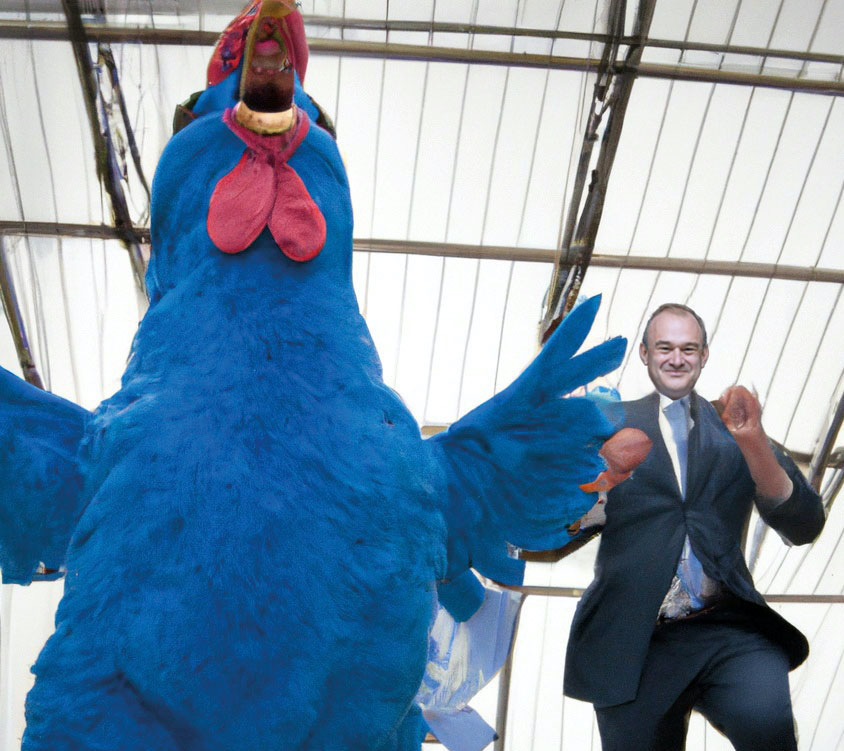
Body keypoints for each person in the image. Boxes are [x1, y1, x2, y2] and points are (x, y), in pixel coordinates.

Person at [563, 303, 825, 751]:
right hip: (632, 640)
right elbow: (551, 537)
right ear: (644, 354)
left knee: (768, 726)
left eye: (689, 348)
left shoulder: (738, 426)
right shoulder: (606, 428)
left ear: (704, 357)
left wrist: (754, 442)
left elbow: (804, 524)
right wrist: (591, 496)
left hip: (728, 628)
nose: (677, 358)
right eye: (664, 347)